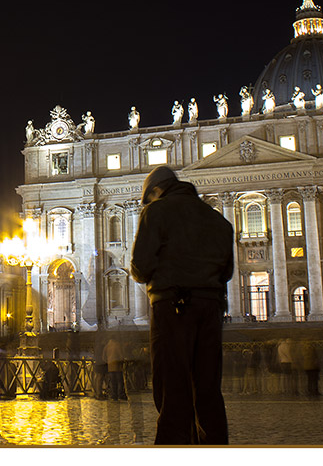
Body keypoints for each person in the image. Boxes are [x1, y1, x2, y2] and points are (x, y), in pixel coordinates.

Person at [131, 166, 234, 445]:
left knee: (172, 386)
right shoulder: (218, 220)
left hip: (172, 307)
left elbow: (141, 266)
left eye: (149, 198)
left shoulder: (156, 212)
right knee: (208, 388)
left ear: (156, 191)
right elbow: (227, 272)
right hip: (211, 309)